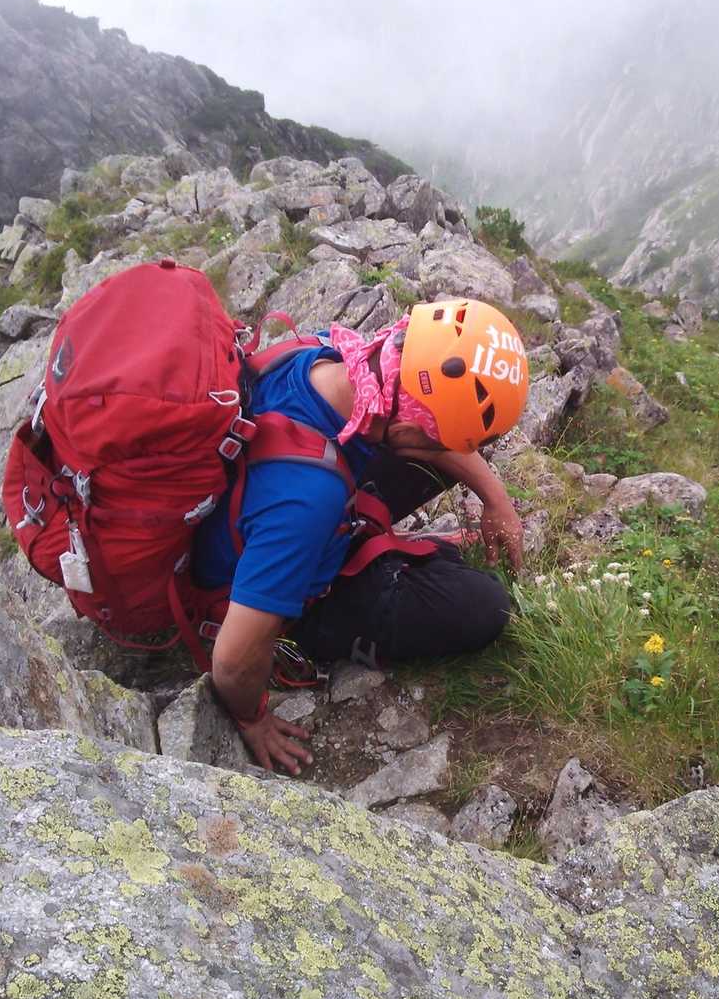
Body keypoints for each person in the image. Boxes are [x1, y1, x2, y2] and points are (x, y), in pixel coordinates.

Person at [191, 300, 530, 773]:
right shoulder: (307, 498)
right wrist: (251, 717)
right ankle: (346, 604)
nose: (455, 452)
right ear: (408, 429)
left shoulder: (331, 355)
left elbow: (416, 422)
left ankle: (374, 540)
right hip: (269, 571)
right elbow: (232, 662)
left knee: (431, 460)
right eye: (441, 441)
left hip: (277, 505)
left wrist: (496, 499)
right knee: (483, 607)